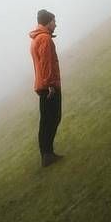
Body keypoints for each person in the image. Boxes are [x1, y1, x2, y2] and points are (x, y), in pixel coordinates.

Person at [29, 9, 63, 167]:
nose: (56, 24)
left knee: (47, 120)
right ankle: (47, 154)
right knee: (52, 118)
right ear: (48, 22)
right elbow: (46, 63)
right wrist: (50, 84)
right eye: (54, 21)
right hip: (48, 86)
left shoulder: (37, 38)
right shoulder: (45, 39)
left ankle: (47, 154)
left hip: (42, 85)